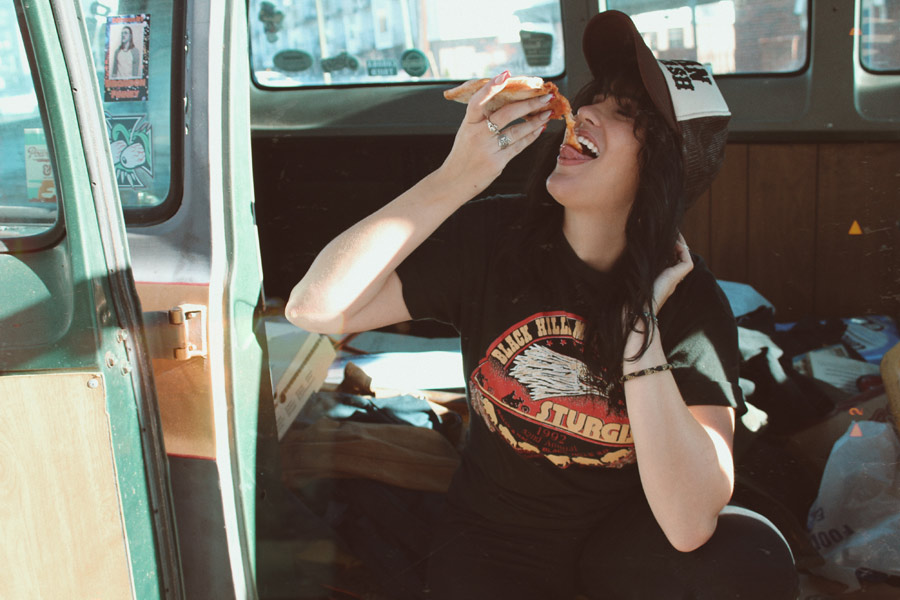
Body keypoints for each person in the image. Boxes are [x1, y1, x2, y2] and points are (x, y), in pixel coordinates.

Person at [286, 10, 799, 600]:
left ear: (663, 170)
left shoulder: (691, 301)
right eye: (594, 98)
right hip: (492, 544)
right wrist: (457, 176)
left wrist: (640, 334)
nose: (586, 112)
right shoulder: (497, 238)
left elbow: (689, 523)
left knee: (747, 557)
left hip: (623, 550)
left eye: (625, 113)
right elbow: (314, 308)